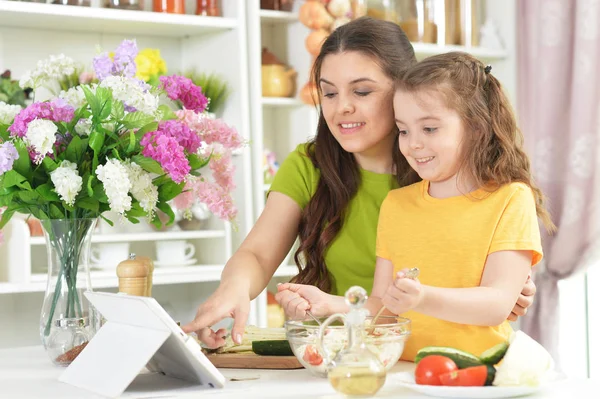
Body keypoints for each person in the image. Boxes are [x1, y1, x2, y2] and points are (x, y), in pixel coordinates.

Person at [181, 17, 537, 348]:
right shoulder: (310, 166)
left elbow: (492, 281)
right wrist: (232, 291)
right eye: (330, 93)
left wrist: (500, 290)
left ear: (405, 89)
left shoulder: (445, 174)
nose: (341, 108)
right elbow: (257, 254)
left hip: (435, 358)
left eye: (362, 92)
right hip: (342, 353)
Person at [277, 51, 556, 361]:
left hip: (478, 374)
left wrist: (421, 297)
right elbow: (384, 308)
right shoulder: (397, 203)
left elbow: (497, 305)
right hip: (404, 373)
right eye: (404, 130)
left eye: (430, 129)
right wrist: (332, 304)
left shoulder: (510, 199)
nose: (413, 144)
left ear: (477, 127)